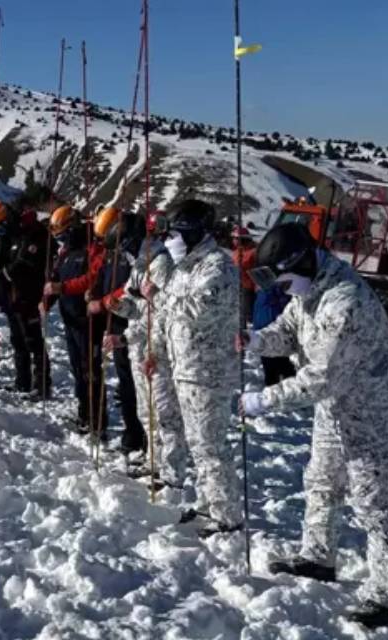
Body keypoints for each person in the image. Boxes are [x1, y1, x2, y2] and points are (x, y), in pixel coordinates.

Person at [239, 223, 388, 629]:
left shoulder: (343, 302)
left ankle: (386, 594)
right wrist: (255, 340)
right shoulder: (311, 288)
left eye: (281, 281)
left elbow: (319, 378)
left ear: (299, 262)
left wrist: (264, 399)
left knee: (374, 504)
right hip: (336, 410)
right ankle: (318, 557)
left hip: (371, 415)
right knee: (320, 481)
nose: (281, 291)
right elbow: (288, 330)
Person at [157, 199, 243, 537]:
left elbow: (199, 308)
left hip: (209, 372)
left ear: (194, 232)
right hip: (186, 368)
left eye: (176, 232)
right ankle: (210, 502)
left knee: (211, 445)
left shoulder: (217, 266)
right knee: (197, 443)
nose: (171, 239)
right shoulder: (186, 266)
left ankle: (227, 516)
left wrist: (161, 293)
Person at [107, 212, 183, 478]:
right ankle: (154, 461)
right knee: (147, 411)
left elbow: (159, 314)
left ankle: (171, 473)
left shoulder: (159, 263)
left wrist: (147, 347)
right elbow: (136, 307)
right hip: (139, 348)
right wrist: (119, 306)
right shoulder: (139, 264)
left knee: (164, 415)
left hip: (156, 350)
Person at [89, 208, 146, 457]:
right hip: (115, 322)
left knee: (138, 383)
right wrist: (94, 294)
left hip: (135, 325)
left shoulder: (139, 257)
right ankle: (131, 431)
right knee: (125, 381)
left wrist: (104, 302)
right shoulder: (111, 255)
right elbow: (100, 277)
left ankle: (142, 437)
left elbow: (130, 290)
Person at [42, 205, 102, 434]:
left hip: (87, 320)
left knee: (91, 370)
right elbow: (56, 277)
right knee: (78, 369)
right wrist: (47, 301)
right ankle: (84, 412)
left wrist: (63, 287)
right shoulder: (66, 251)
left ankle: (97, 419)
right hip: (70, 318)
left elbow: (93, 278)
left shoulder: (91, 247)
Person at [0, 205, 51, 398]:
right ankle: (22, 381)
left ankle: (42, 384)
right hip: (13, 296)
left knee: (33, 341)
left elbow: (23, 263)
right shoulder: (12, 237)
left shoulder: (31, 234)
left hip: (29, 294)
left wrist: (1, 275)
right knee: (17, 340)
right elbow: (3, 259)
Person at [233, 225, 258, 329]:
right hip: (237, 286)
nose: (233, 241)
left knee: (247, 314)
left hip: (248, 289)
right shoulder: (237, 251)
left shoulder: (253, 252)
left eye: (235, 238)